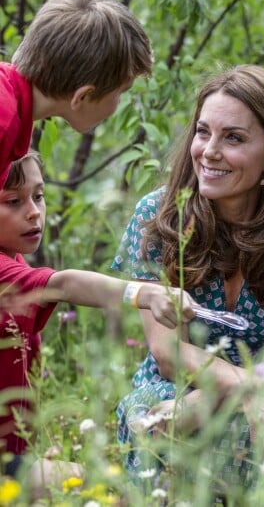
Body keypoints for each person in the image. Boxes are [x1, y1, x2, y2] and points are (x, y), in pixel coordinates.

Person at [111, 65, 264, 490]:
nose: (209, 151)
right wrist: (240, 389)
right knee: (157, 422)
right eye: (203, 132)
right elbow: (167, 353)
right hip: (171, 391)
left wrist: (241, 397)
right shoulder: (159, 217)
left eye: (233, 137)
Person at [0, 151, 198, 494]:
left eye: (38, 195)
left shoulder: (13, 259)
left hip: (16, 452)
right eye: (13, 201)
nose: (33, 211)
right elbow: (65, 284)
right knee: (110, 489)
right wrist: (145, 294)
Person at [0, 0, 152, 188]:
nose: (118, 105)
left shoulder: (10, 107)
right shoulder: (4, 124)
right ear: (82, 96)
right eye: (121, 92)